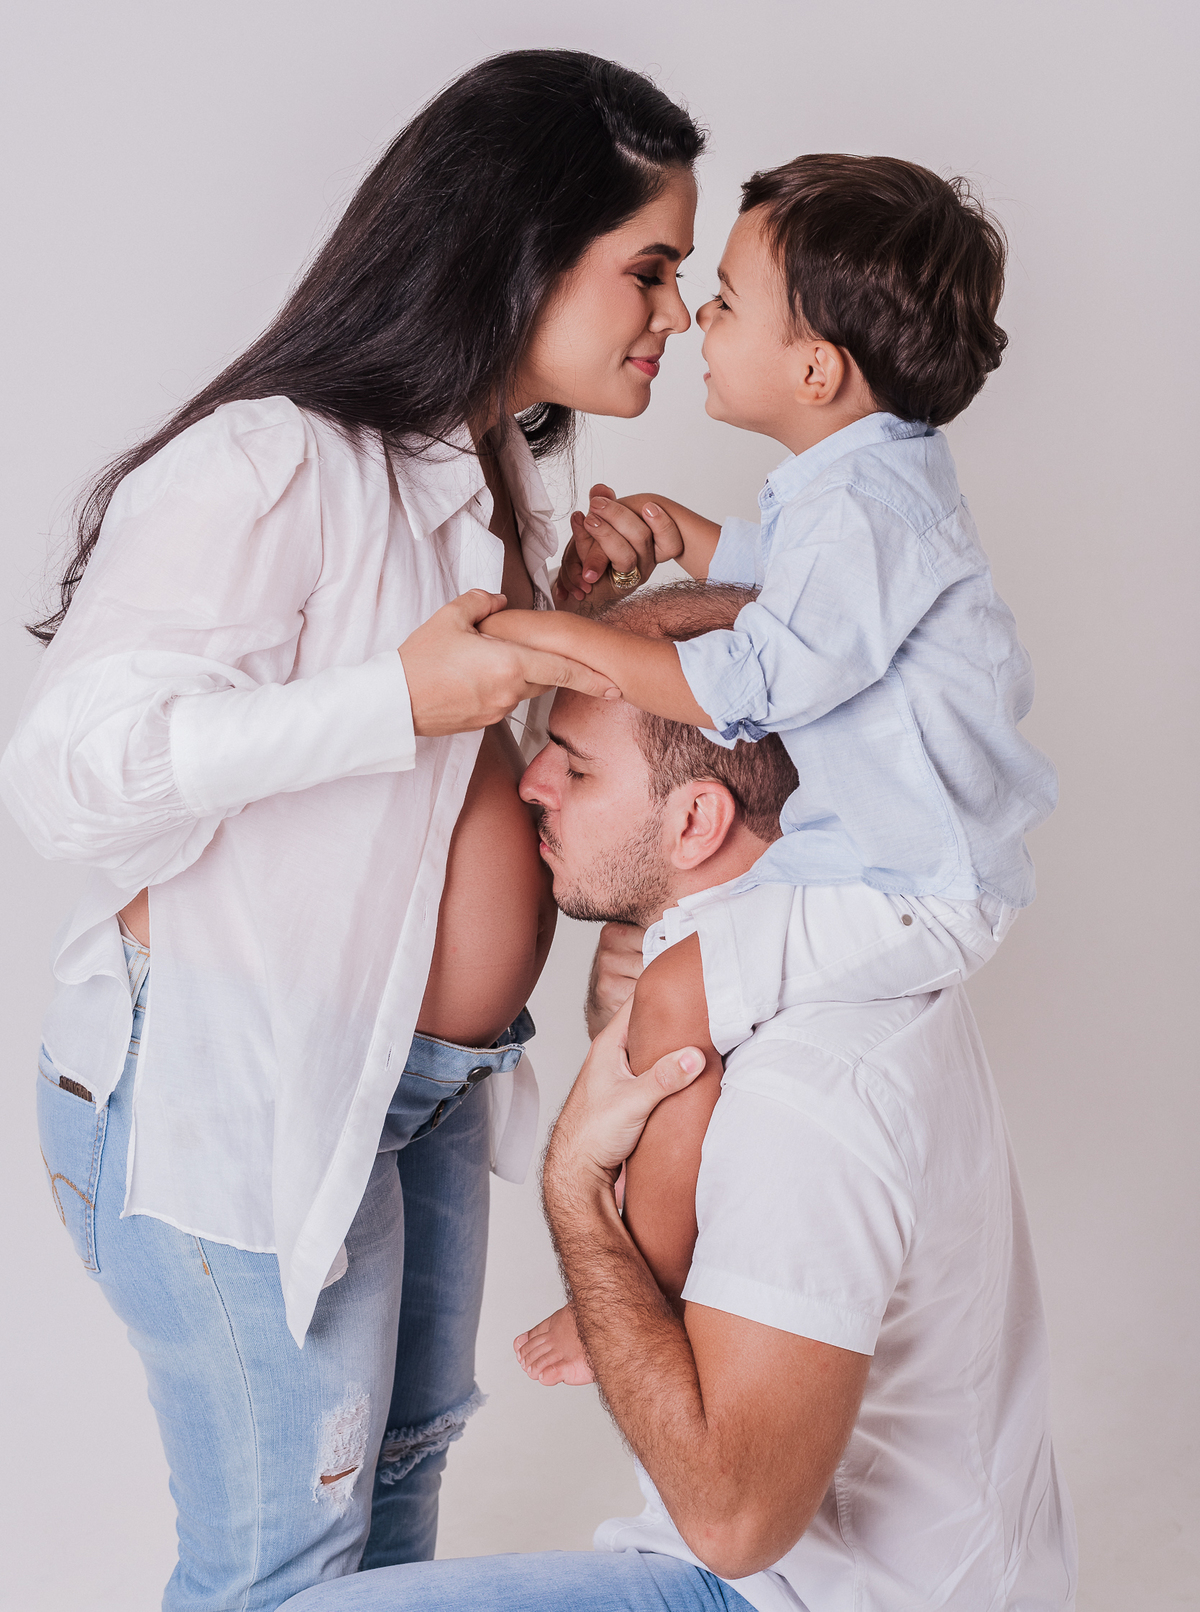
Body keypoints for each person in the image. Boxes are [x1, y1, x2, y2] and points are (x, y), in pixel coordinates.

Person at [0, 50, 704, 1610]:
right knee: (282, 1575)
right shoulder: (273, 461)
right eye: (650, 269)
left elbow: (429, 791)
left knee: (388, 1542)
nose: (677, 313)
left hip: (417, 1083)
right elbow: (67, 777)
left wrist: (559, 628)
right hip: (232, 1081)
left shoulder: (494, 465)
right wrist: (398, 696)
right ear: (526, 250)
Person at [283, 581, 1076, 1612]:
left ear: (697, 818)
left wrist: (574, 1191)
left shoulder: (804, 1093)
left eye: (575, 765)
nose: (533, 784)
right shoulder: (778, 954)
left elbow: (733, 1524)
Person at [478, 154, 1057, 1372]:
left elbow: (757, 681)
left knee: (675, 998)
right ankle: (672, 1240)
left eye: (728, 301)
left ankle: (637, 1291)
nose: (696, 317)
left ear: (816, 370)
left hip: (911, 881)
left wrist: (566, 641)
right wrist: (683, 536)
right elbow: (798, 583)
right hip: (885, 862)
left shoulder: (863, 505)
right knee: (656, 966)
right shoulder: (861, 481)